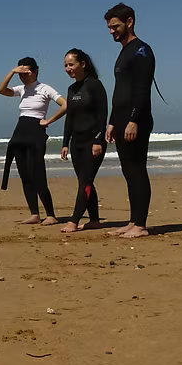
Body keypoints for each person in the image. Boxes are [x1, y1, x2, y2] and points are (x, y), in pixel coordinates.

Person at [104, 2, 157, 238]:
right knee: (128, 171)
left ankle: (141, 225)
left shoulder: (142, 50)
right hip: (123, 118)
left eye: (115, 26)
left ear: (130, 22)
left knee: (137, 170)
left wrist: (133, 120)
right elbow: (120, 90)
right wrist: (113, 121)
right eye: (109, 27)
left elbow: (141, 89)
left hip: (138, 118)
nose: (111, 31)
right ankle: (133, 220)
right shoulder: (123, 51)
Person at [0, 57, 67, 224]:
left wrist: (48, 121)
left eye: (26, 72)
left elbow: (65, 105)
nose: (23, 76)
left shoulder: (45, 88)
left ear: (36, 71)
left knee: (37, 174)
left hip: (36, 132)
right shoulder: (22, 89)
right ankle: (35, 214)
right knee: (25, 176)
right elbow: (1, 90)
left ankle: (50, 215)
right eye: (21, 73)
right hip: (20, 133)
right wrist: (13, 72)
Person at [59, 49, 108, 233]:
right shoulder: (72, 89)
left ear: (83, 64)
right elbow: (70, 117)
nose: (68, 68)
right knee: (85, 181)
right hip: (76, 143)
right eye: (65, 65)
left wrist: (98, 140)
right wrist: (65, 143)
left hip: (93, 142)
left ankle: (74, 220)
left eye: (71, 64)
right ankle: (94, 220)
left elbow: (102, 114)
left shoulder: (94, 85)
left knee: (85, 181)